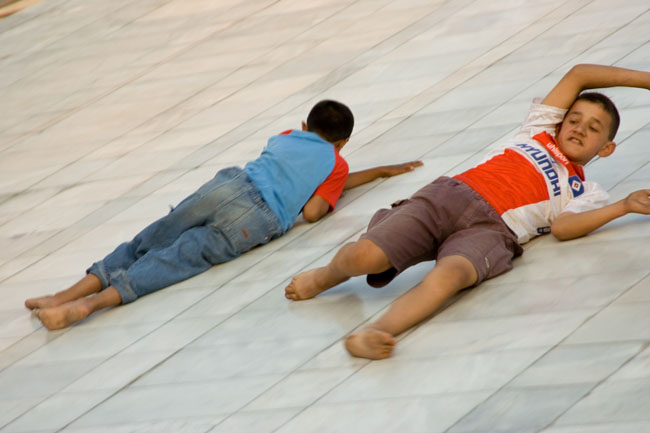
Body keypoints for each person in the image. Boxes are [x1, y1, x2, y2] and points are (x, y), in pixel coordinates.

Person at [285, 64, 650, 360]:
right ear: (559, 120)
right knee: (364, 257)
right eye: (574, 119)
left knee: (451, 277)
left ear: (606, 149)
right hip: (451, 197)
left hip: (494, 233)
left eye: (593, 129)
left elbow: (565, 228)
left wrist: (624, 206)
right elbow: (579, 75)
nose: (579, 129)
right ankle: (327, 276)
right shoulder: (537, 131)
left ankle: (377, 332)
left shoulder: (584, 189)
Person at [26, 99, 423, 330]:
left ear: (304, 125)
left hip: (228, 185)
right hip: (257, 220)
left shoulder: (285, 136)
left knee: (152, 238)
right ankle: (87, 309)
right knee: (175, 259)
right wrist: (374, 173)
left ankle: (62, 295)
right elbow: (316, 209)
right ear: (344, 143)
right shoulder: (335, 164)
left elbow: (300, 167)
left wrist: (371, 171)